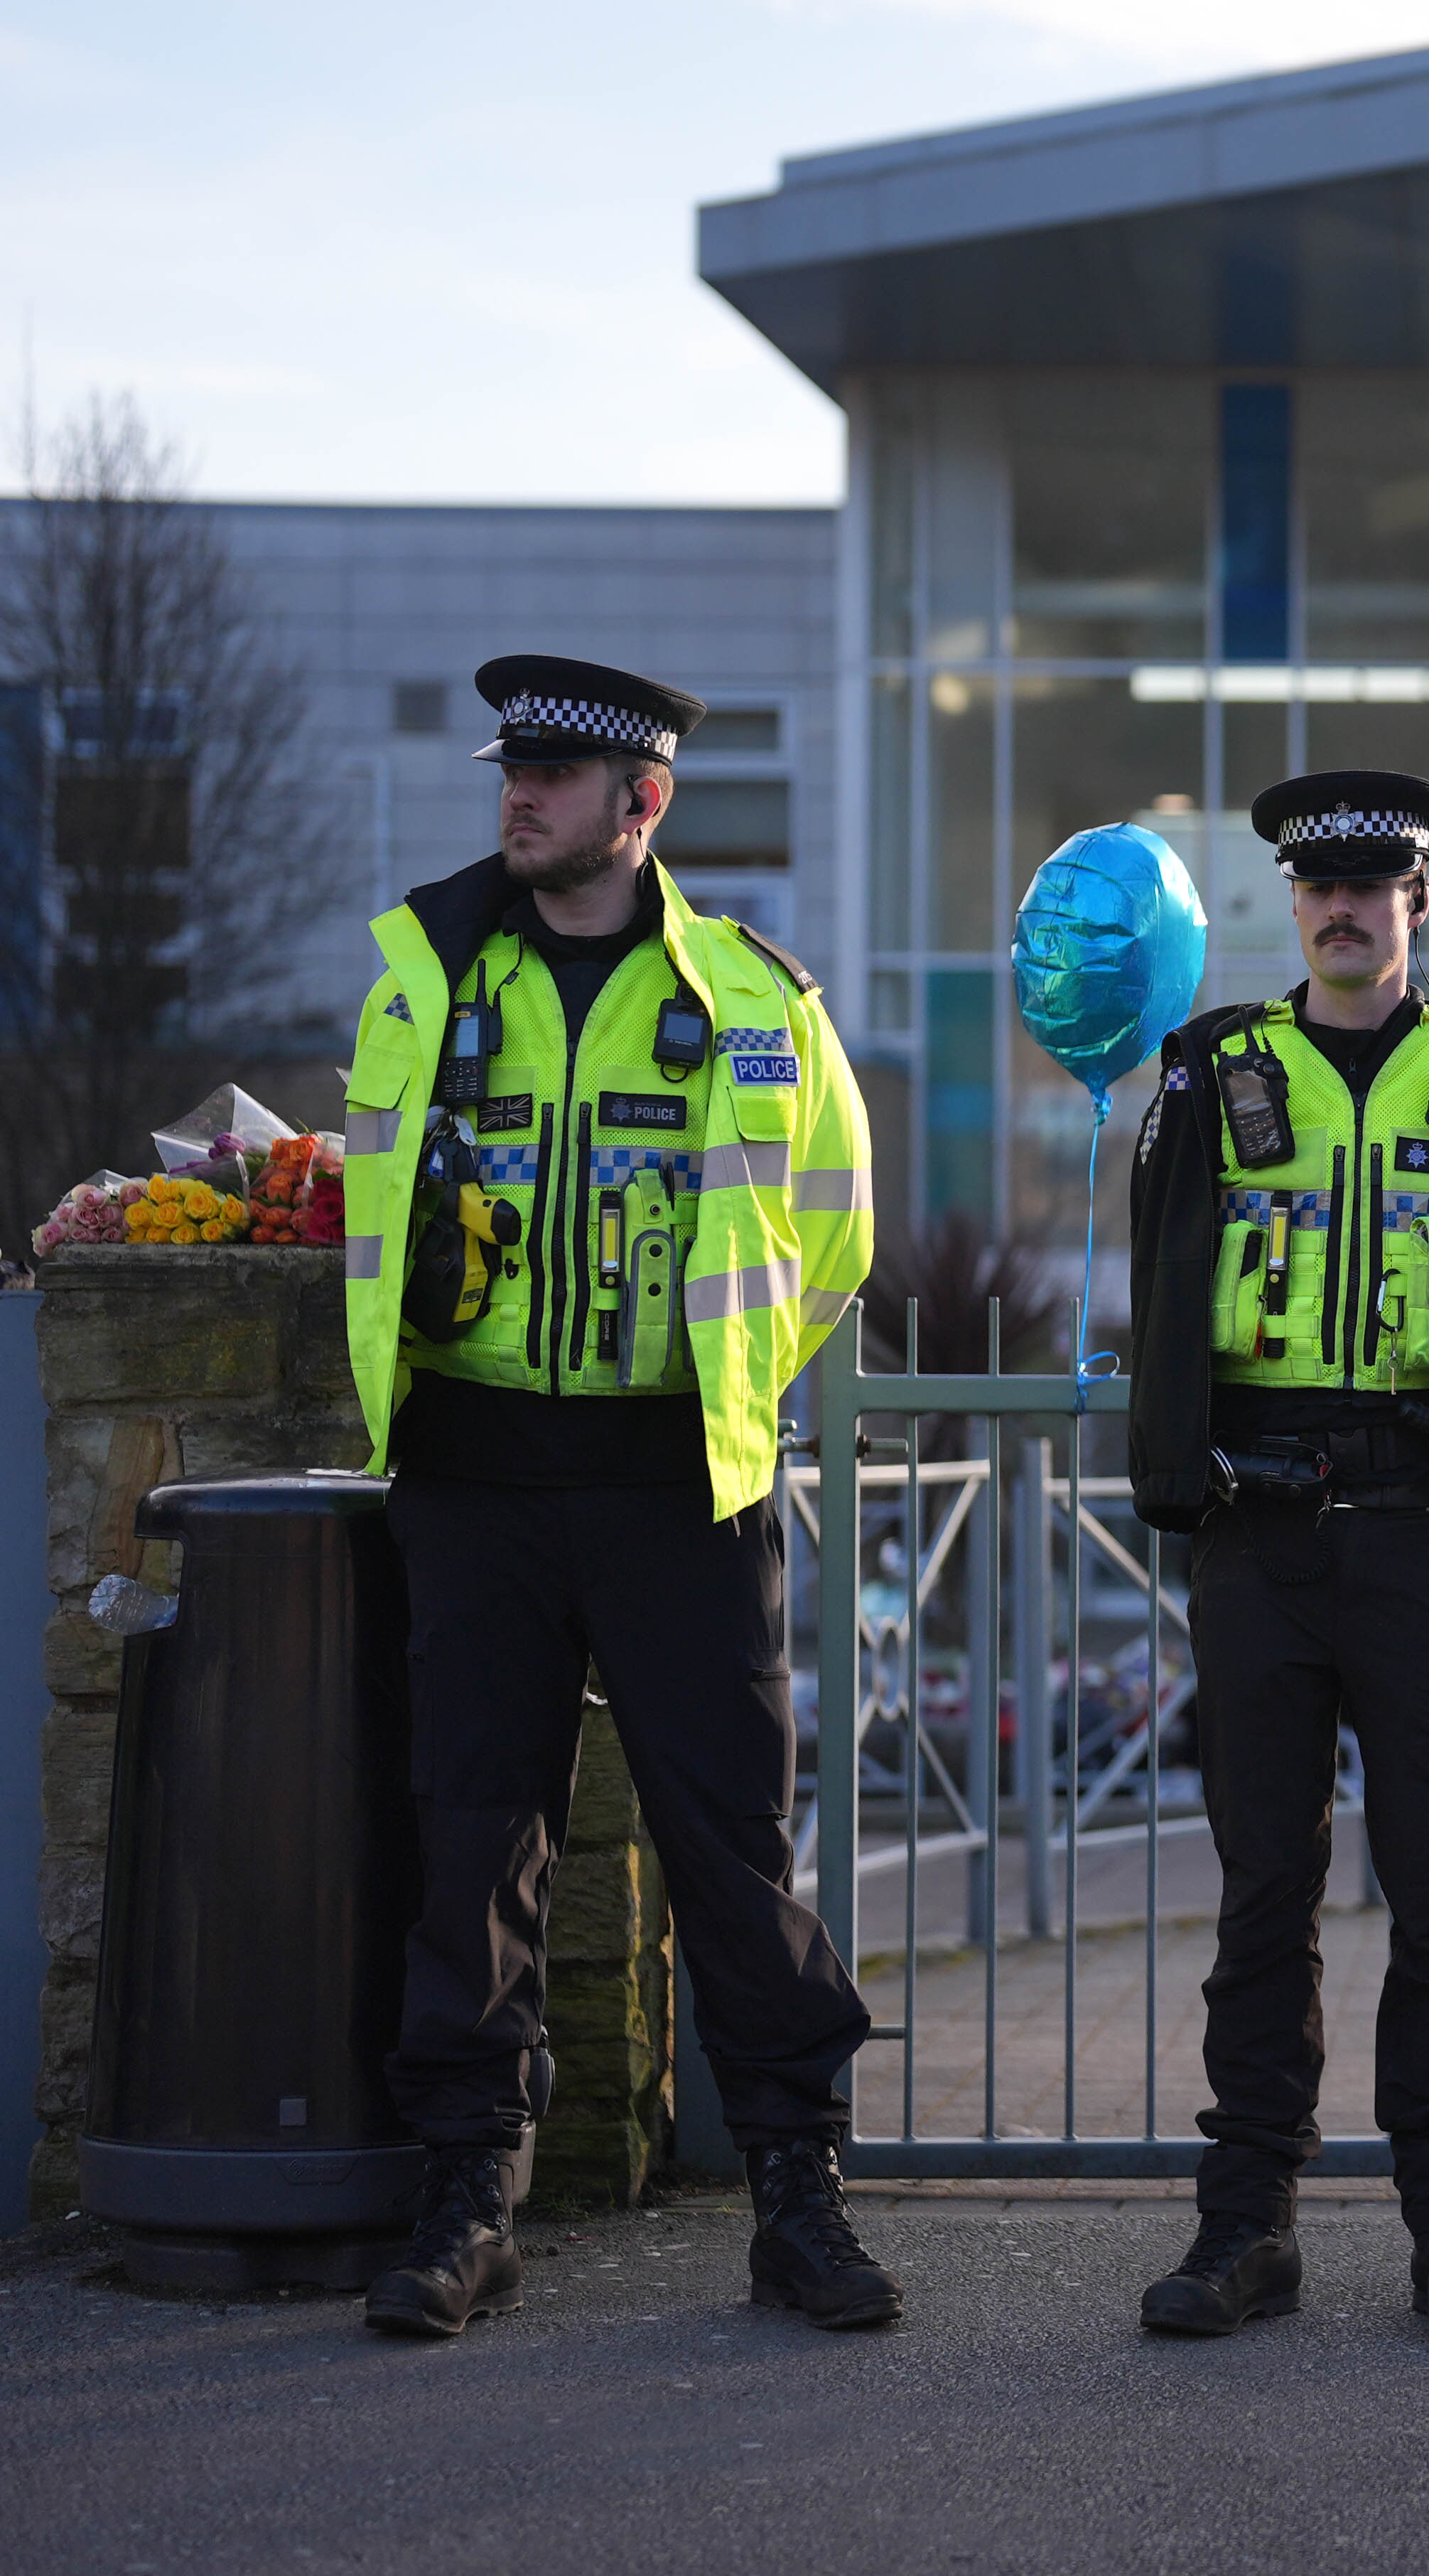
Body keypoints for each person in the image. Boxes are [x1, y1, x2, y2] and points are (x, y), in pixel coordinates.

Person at [342, 657, 890, 2336]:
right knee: (471, 1839)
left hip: (678, 1489)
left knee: (731, 1846)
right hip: (475, 1471)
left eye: (555, 779)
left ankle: (797, 2194)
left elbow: (838, 1229)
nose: (517, 797)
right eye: (511, 770)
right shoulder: (433, 978)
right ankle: (470, 2200)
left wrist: (724, 1392)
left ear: (640, 806)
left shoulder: (749, 996)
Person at [1123, 768, 1429, 2342]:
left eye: (1371, 889)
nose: (1341, 912)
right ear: (1288, 905)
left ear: (1416, 905)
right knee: (1262, 1896)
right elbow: (1164, 1285)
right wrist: (1174, 1487)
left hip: (1426, 1540)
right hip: (1259, 1540)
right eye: (1316, 888)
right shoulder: (1212, 1074)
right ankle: (1243, 2226)